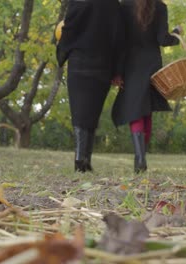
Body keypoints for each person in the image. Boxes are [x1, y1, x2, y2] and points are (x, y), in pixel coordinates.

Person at [111, 0, 182, 173]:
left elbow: (119, 41)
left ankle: (140, 158)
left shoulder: (124, 6)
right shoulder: (160, 6)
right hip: (152, 64)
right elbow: (162, 39)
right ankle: (142, 158)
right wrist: (177, 34)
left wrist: (117, 71)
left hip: (130, 65)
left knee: (135, 109)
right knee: (145, 110)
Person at [56, 0, 124, 173]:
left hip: (79, 61)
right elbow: (118, 38)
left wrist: (62, 53)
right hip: (103, 64)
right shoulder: (113, 4)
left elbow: (68, 29)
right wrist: (117, 71)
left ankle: (80, 158)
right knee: (93, 112)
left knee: (79, 111)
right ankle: (86, 159)